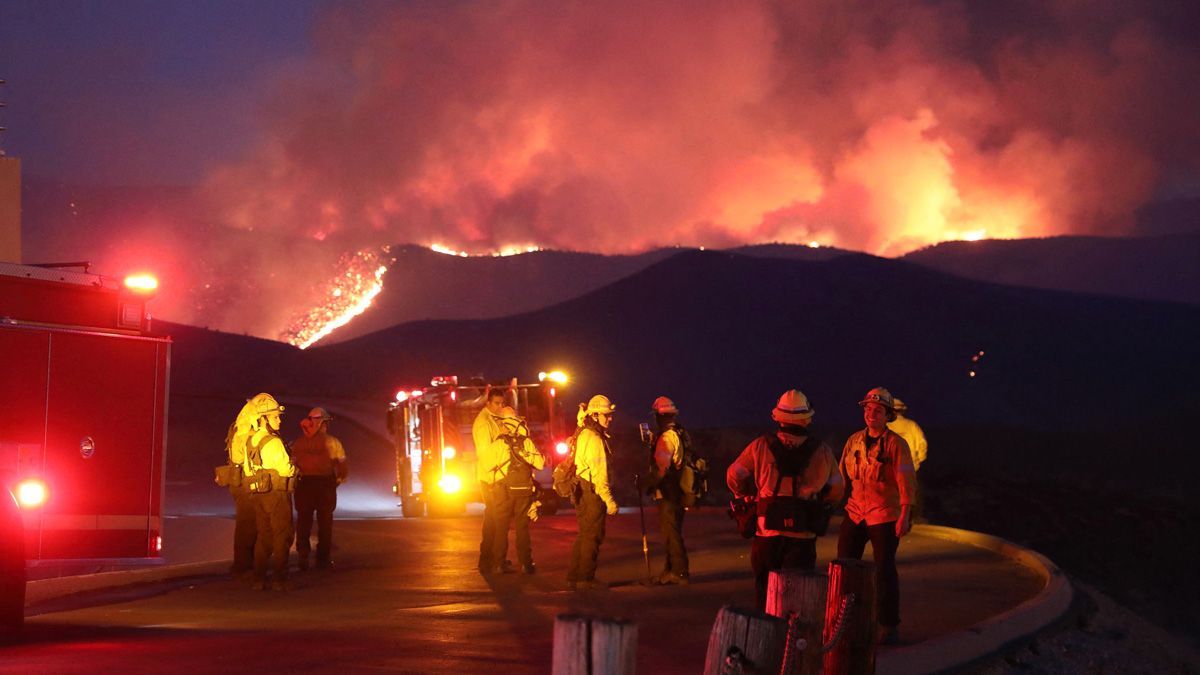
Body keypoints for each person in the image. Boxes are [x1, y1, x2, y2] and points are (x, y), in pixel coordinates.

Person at [727, 389, 844, 610]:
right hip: (803, 535)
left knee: (765, 596)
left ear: (778, 417)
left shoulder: (760, 446)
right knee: (796, 600)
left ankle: (766, 630)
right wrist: (821, 502)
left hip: (766, 534)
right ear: (806, 419)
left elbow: (734, 475)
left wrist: (743, 494)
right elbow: (838, 489)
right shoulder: (823, 451)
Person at [838, 387, 917, 646]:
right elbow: (841, 475)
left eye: (878, 411)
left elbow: (906, 479)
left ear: (888, 415)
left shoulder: (896, 444)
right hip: (855, 512)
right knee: (844, 567)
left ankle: (888, 624)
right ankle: (843, 621)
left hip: (884, 514)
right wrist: (828, 499)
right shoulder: (854, 441)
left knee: (884, 570)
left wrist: (905, 513)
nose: (871, 414)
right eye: (868, 409)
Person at [242, 392, 297, 591]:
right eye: (275, 417)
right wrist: (294, 466)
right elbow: (285, 469)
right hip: (276, 494)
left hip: (258, 495)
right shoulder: (273, 442)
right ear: (263, 419)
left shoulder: (250, 442)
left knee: (264, 536)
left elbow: (247, 469)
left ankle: (258, 579)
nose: (279, 420)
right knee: (282, 535)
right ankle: (280, 580)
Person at [567, 394, 619, 590]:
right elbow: (599, 474)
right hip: (591, 491)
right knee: (593, 535)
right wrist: (609, 501)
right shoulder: (595, 438)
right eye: (606, 415)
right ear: (595, 416)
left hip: (581, 488)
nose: (610, 418)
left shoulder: (583, 432)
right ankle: (585, 578)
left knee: (584, 534)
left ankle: (574, 576)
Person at [486, 406, 546, 574]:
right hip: (523, 490)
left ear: (503, 424)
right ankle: (526, 564)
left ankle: (499, 564)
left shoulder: (498, 443)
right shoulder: (526, 442)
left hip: (503, 491)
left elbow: (487, 466)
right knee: (522, 528)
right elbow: (540, 464)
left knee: (501, 528)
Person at [290, 407, 348, 570]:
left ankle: (303, 555)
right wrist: (338, 479)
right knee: (325, 522)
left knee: (303, 521)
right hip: (325, 485)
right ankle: (323, 558)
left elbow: (292, 465)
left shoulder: (298, 443)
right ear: (322, 423)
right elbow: (342, 465)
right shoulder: (332, 442)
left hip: (304, 485)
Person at [645, 395, 691, 585]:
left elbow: (662, 469)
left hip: (669, 492)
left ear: (659, 416)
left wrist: (647, 483)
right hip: (678, 491)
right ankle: (670, 570)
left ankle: (679, 572)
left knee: (671, 534)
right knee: (672, 532)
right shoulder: (678, 433)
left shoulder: (666, 437)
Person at [473, 387, 509, 573]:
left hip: (494, 477)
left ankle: (488, 558)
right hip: (491, 479)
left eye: (502, 403)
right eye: (496, 403)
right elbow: (486, 455)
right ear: (488, 403)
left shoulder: (494, 419)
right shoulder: (483, 423)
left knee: (492, 520)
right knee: (496, 521)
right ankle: (493, 560)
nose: (500, 407)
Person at [224, 400, 259, 579]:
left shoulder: (239, 431)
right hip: (247, 486)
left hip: (242, 485)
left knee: (248, 526)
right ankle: (243, 565)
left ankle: (244, 564)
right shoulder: (247, 435)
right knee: (247, 526)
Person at [888, 397, 928, 521]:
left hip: (890, 467)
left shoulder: (885, 427)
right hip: (909, 467)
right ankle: (911, 518)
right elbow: (922, 445)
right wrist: (918, 461)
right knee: (910, 493)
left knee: (891, 494)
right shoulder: (912, 425)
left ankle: (893, 518)